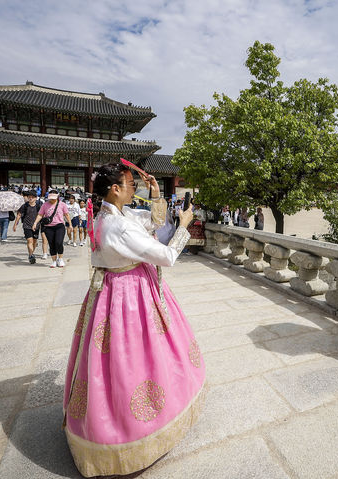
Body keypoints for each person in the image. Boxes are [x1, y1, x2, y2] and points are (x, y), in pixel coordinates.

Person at [62, 163, 204, 477]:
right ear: (114, 189)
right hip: (129, 297)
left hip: (111, 292)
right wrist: (184, 226)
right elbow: (166, 254)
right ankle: (130, 432)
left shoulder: (109, 216)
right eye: (129, 184)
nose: (133, 188)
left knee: (109, 360)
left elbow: (151, 223)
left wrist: (155, 193)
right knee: (136, 356)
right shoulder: (119, 226)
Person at [32, 190, 71, 268]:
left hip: (59, 226)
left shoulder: (62, 204)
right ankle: (53, 260)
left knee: (59, 242)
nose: (52, 200)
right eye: (50, 198)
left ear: (57, 197)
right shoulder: (45, 205)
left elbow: (66, 215)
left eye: (53, 198)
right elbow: (40, 215)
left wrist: (70, 224)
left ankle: (60, 259)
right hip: (48, 227)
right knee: (51, 244)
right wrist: (35, 223)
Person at [14, 192, 42, 264]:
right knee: (30, 241)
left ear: (36, 198)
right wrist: (15, 225)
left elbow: (41, 215)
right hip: (27, 225)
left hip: (36, 226)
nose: (30, 198)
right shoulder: (24, 206)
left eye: (32, 197)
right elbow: (19, 215)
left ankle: (32, 253)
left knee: (35, 242)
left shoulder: (38, 206)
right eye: (29, 197)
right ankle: (31, 255)